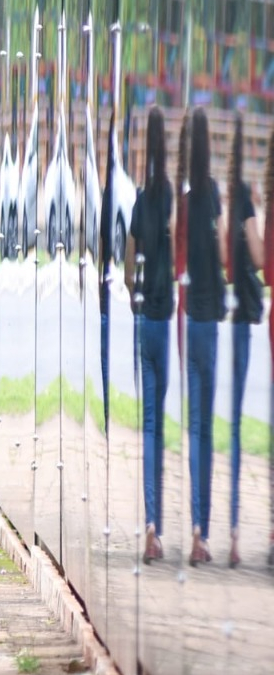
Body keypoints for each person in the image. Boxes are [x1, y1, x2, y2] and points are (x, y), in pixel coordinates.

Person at [125, 107, 174, 565]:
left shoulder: (140, 200)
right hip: (167, 316)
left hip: (144, 319)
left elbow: (127, 267)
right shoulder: (175, 198)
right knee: (162, 424)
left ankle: (151, 525)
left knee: (149, 424)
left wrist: (134, 296)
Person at [183, 107, 227, 567]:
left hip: (185, 318)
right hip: (209, 319)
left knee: (186, 426)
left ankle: (185, 528)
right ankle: (202, 531)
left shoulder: (181, 199)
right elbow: (223, 255)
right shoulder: (212, 195)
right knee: (205, 428)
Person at [226, 113, 264, 568]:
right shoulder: (245, 199)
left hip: (217, 313)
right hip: (241, 320)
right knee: (236, 422)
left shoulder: (218, 197)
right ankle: (236, 530)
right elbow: (258, 256)